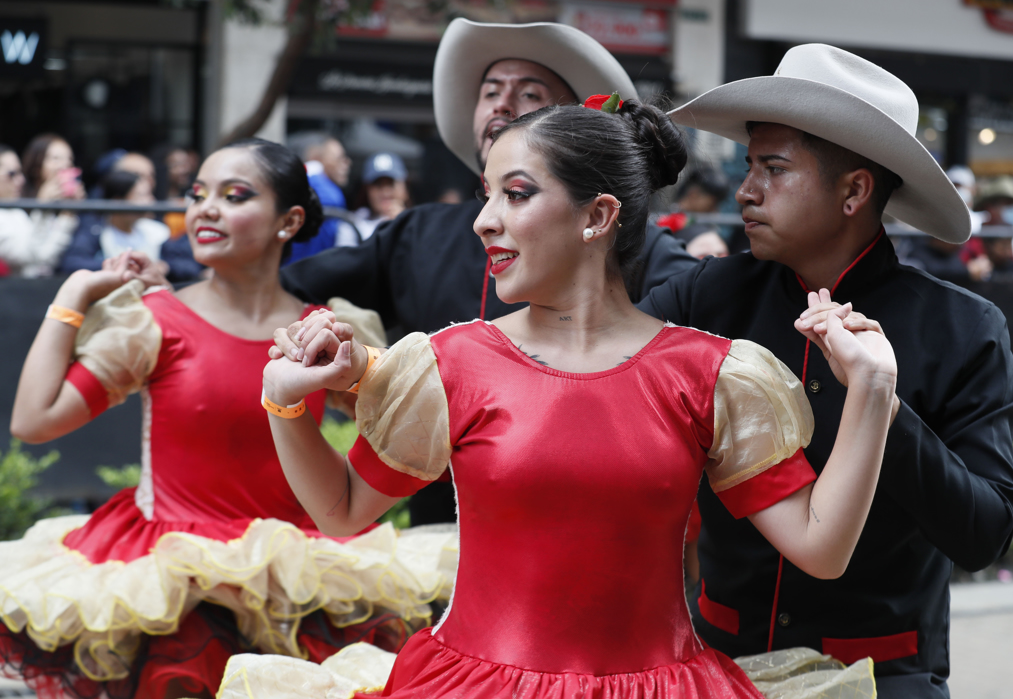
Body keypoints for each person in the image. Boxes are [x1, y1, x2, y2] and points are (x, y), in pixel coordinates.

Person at [248, 96, 895, 699]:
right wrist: (285, 403)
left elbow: (821, 548)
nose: (484, 220)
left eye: (517, 194)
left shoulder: (712, 375)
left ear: (598, 216)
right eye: (486, 195)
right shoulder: (449, 363)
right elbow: (341, 509)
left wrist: (871, 388)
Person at [0, 139, 446, 699]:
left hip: (306, 583)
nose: (205, 208)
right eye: (197, 193)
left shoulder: (324, 331)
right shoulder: (153, 322)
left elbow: (399, 440)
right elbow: (34, 420)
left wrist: (353, 373)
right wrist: (73, 295)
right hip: (173, 589)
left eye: (234, 195)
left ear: (290, 220)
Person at [642, 44, 1013, 697]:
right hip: (716, 666)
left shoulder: (963, 328)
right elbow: (598, 378)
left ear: (854, 190)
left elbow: (984, 532)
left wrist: (886, 406)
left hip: (883, 677)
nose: (745, 189)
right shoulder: (704, 297)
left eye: (773, 167)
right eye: (749, 164)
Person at [280, 18, 698, 526]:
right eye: (490, 90)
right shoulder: (419, 239)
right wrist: (338, 361)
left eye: (527, 93)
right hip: (436, 542)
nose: (502, 104)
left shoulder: (647, 266)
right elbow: (286, 289)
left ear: (600, 218)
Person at [59, 169, 204, 282]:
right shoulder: (95, 231)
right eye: (142, 195)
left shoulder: (154, 231)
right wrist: (120, 266)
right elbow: (72, 264)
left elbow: (190, 265)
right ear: (118, 201)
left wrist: (166, 267)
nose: (151, 201)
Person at [0, 144, 78, 277]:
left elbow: (42, 259)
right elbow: (32, 258)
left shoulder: (15, 212)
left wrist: (67, 214)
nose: (21, 180)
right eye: (12, 174)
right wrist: (43, 207)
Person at [285, 132, 354, 262]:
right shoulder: (328, 193)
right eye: (339, 158)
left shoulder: (293, 183)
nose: (347, 163)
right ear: (316, 158)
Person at [350, 152, 411, 243]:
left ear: (404, 188)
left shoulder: (418, 223)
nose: (385, 192)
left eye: (391, 184)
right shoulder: (354, 222)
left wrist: (403, 223)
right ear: (367, 190)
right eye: (378, 185)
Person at [21, 133, 86, 202]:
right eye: (56, 158)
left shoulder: (71, 199)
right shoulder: (19, 196)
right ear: (37, 165)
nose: (66, 164)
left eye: (70, 159)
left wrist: (72, 206)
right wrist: (42, 202)